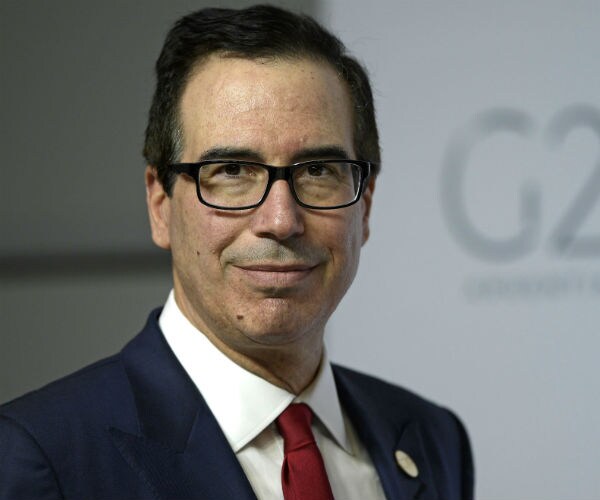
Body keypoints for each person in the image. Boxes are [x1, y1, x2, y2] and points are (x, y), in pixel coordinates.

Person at [0, 5, 473, 499]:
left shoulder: (432, 439)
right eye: (231, 171)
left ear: (365, 206)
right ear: (160, 206)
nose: (281, 220)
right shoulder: (42, 459)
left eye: (318, 171)